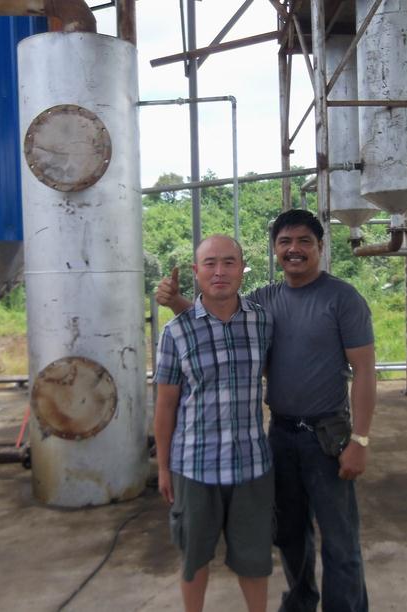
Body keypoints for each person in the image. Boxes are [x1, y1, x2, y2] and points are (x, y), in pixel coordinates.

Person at [158, 210, 377, 612]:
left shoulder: (342, 298)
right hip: (279, 437)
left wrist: (360, 440)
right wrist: (176, 302)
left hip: (327, 436)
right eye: (285, 242)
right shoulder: (265, 300)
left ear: (320, 246)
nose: (294, 249)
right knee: (289, 533)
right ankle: (300, 602)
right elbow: (218, 321)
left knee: (339, 538)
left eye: (304, 241)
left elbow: (365, 371)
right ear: (275, 249)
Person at [154, 234, 275, 612]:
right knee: (194, 559)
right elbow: (165, 405)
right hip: (194, 466)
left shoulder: (262, 322)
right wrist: (163, 467)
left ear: (242, 269)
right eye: (210, 263)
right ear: (196, 271)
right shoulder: (176, 332)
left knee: (255, 560)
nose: (219, 271)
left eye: (228, 262)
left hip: (251, 465)